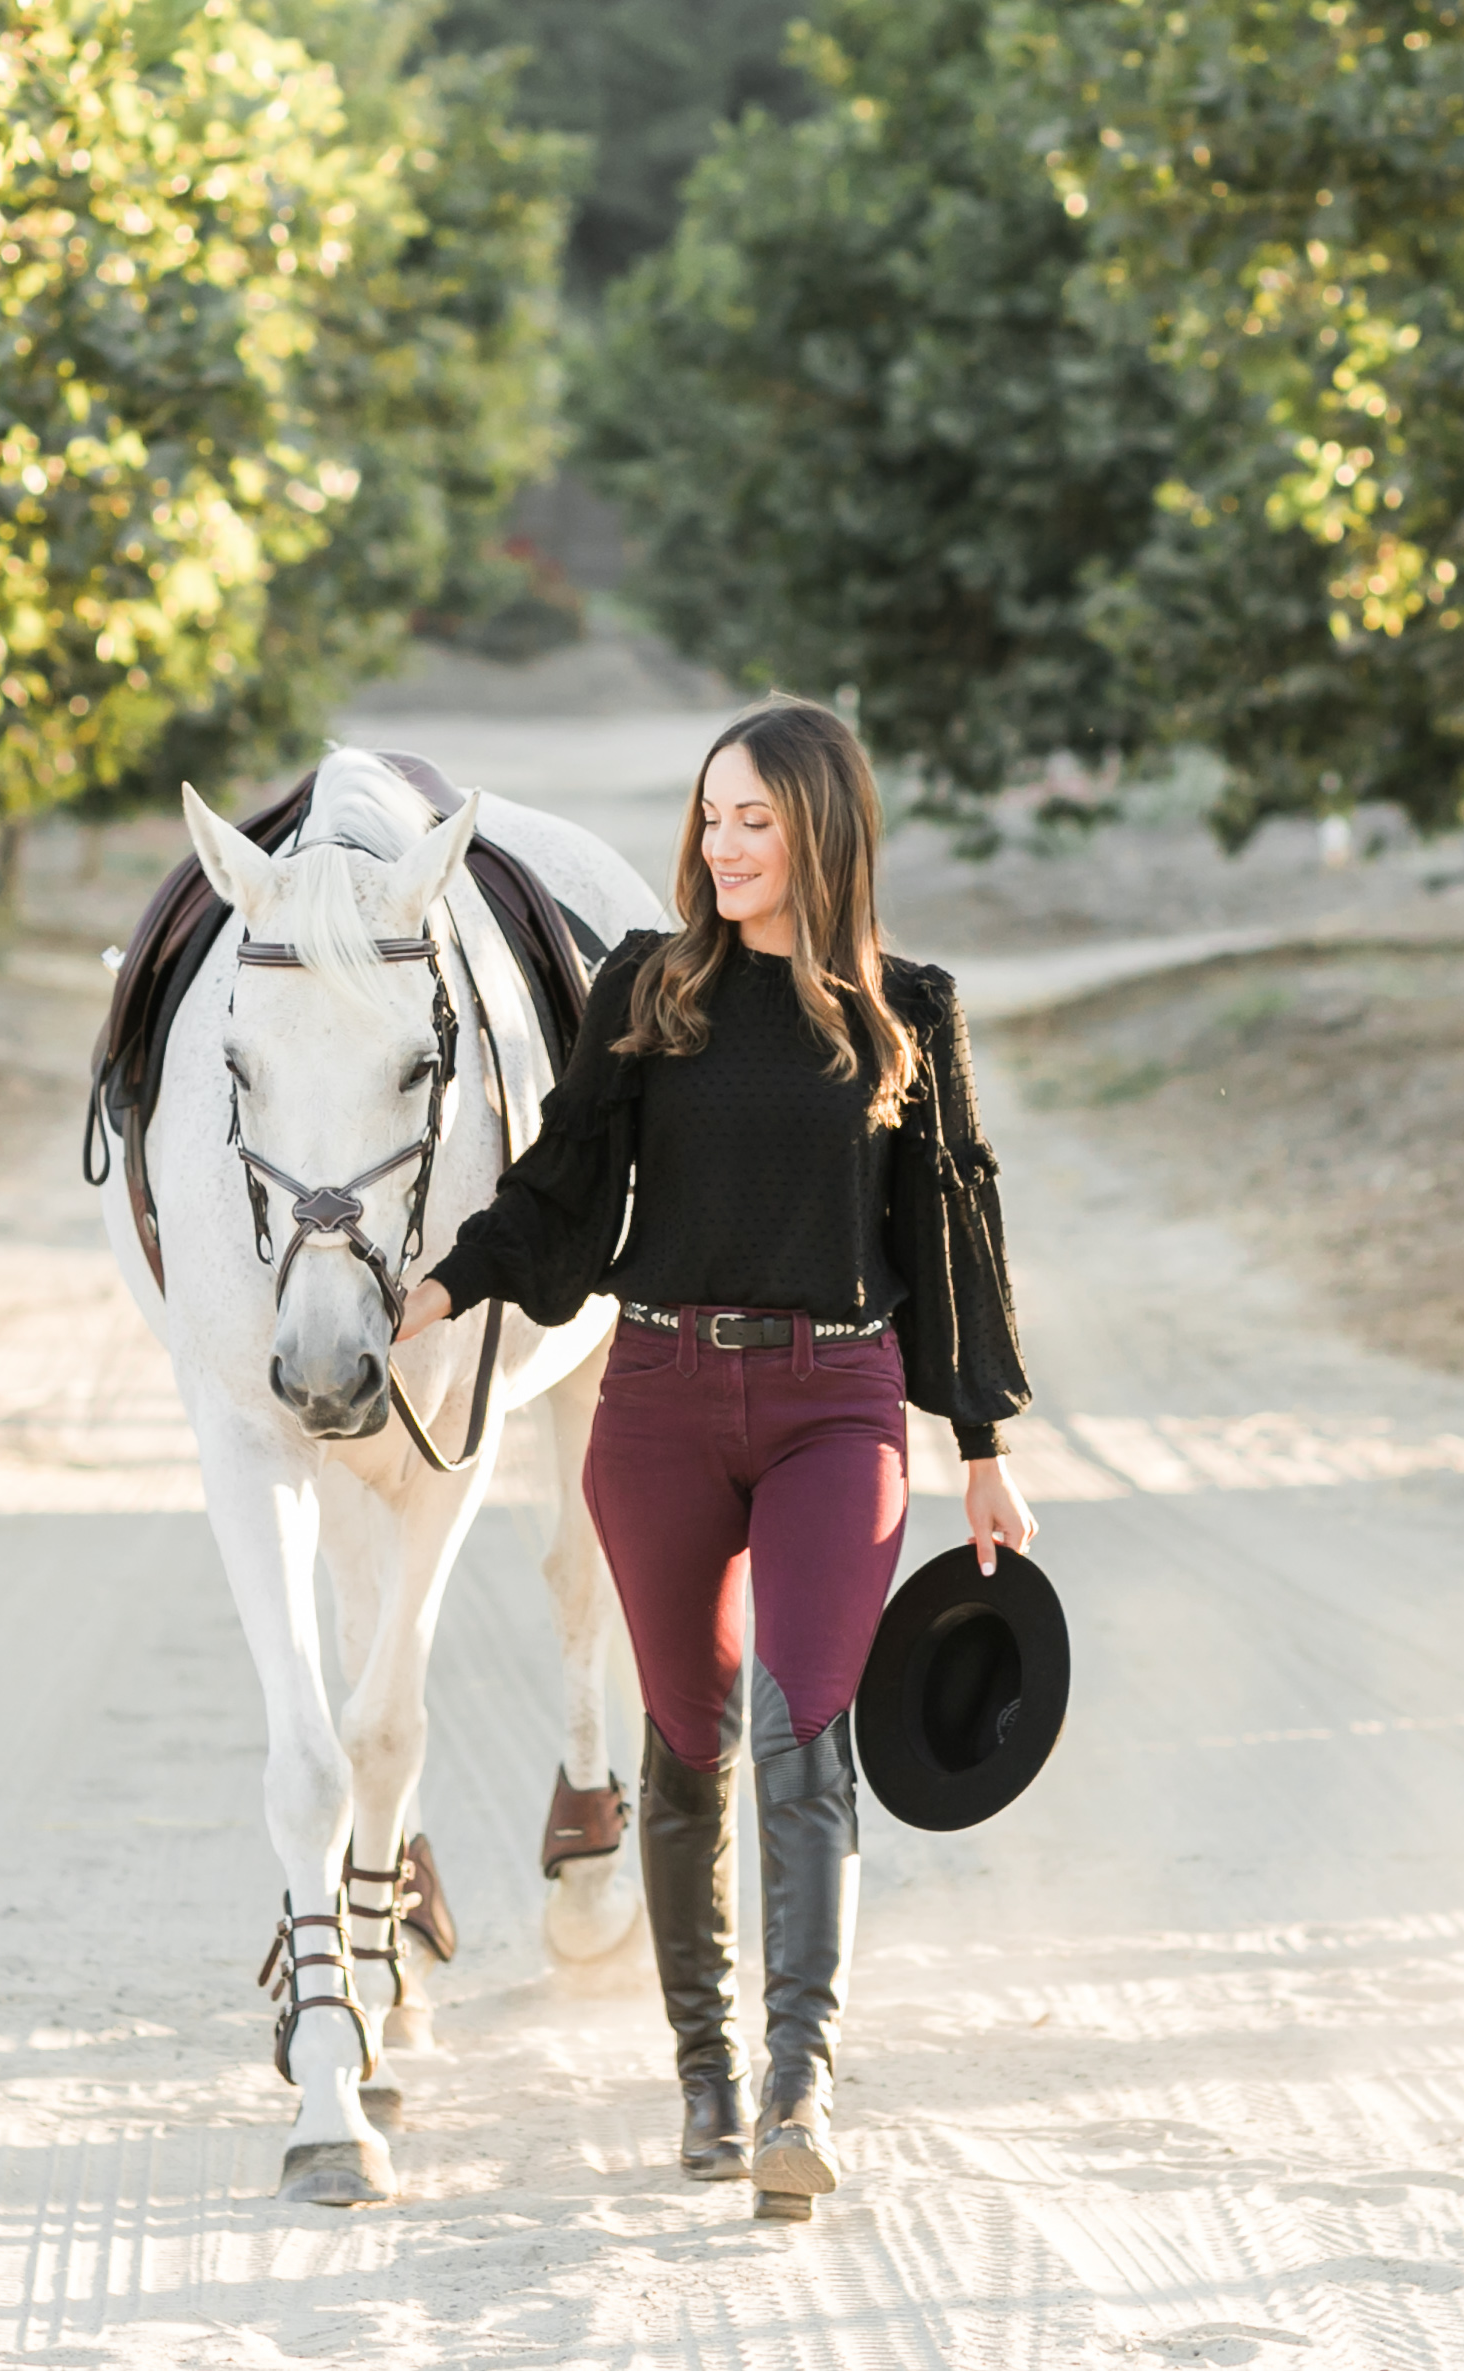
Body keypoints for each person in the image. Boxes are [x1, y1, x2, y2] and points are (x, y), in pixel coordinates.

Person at [398, 696, 1035, 2222]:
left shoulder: (905, 1011)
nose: (727, 845)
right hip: (663, 1401)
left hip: (840, 1403)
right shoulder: (648, 989)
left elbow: (947, 1233)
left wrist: (982, 1442)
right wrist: (435, 1289)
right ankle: (704, 2077)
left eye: (758, 818)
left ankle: (796, 2084)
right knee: (688, 1744)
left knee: (805, 1730)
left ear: (825, 829)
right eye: (713, 818)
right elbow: (563, 1188)